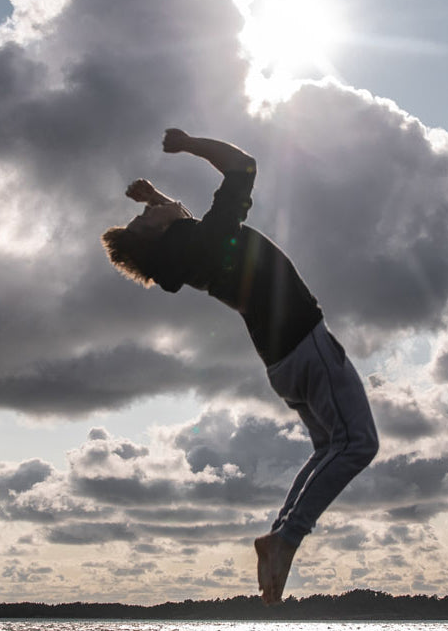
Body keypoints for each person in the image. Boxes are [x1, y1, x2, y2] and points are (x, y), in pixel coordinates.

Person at [102, 128, 378, 604]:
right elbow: (243, 165)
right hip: (305, 342)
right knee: (358, 444)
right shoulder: (205, 240)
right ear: (159, 236)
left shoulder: (188, 251)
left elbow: (187, 227)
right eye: (145, 217)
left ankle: (280, 536)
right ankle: (286, 538)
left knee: (327, 447)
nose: (149, 209)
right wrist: (188, 144)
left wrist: (160, 199)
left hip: (281, 360)